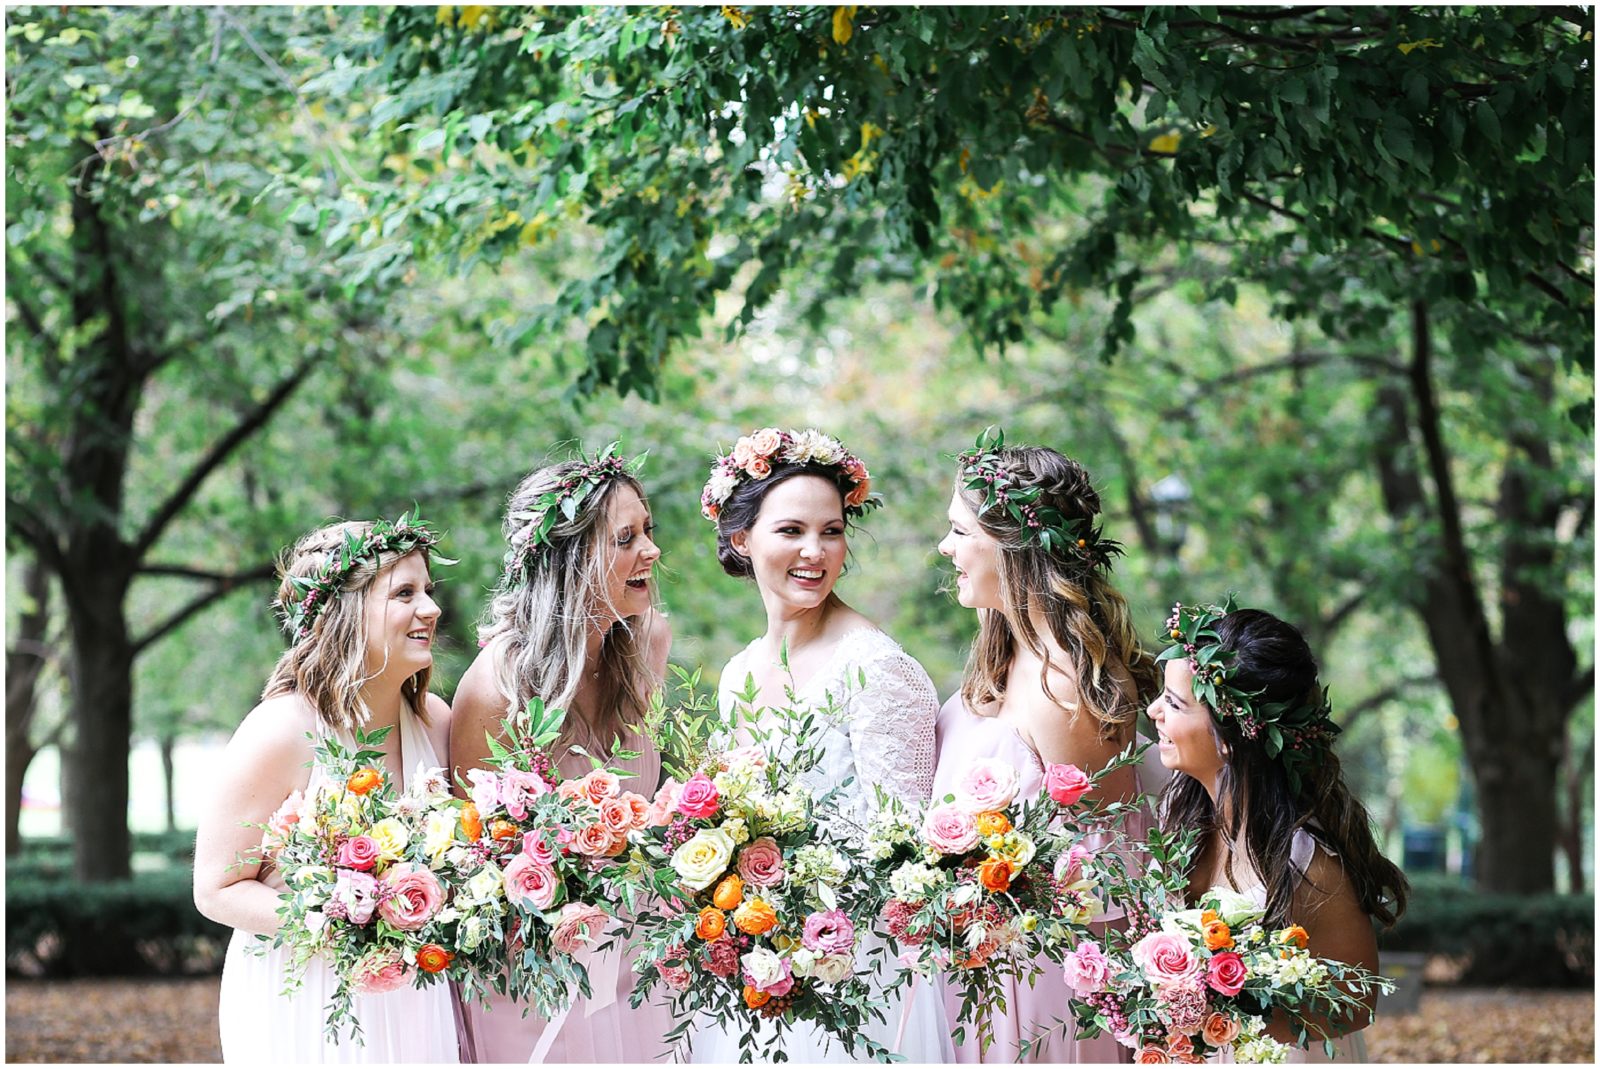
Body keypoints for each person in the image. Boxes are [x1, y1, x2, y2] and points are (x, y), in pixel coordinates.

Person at [690, 426, 953, 1063]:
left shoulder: (876, 667)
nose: (815, 551)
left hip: (858, 980)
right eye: (791, 530)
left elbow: (906, 855)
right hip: (755, 969)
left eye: (831, 531)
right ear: (740, 538)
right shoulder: (739, 673)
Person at [932, 428, 1166, 1063]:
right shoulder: (1004, 658)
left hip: (1043, 997)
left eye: (960, 531)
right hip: (975, 976)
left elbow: (1114, 874)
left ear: (1010, 547)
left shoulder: (1067, 686)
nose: (945, 547)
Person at [194, 515, 459, 1063]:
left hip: (415, 997)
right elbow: (216, 889)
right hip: (305, 996)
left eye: (428, 591)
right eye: (405, 593)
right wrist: (345, 921)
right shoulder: (282, 730)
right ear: (346, 612)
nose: (430, 610)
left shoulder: (434, 720)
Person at [449, 446, 675, 1064]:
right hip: (535, 978)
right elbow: (477, 858)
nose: (651, 552)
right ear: (568, 559)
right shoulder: (500, 685)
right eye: (625, 538)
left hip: (637, 951)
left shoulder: (646, 643)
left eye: (648, 531)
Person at [1149, 598, 1410, 1062]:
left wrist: (1216, 1009)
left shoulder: (1308, 863)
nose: (1153, 711)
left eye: (1173, 703)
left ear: (1228, 739)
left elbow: (1354, 1005)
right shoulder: (1180, 813)